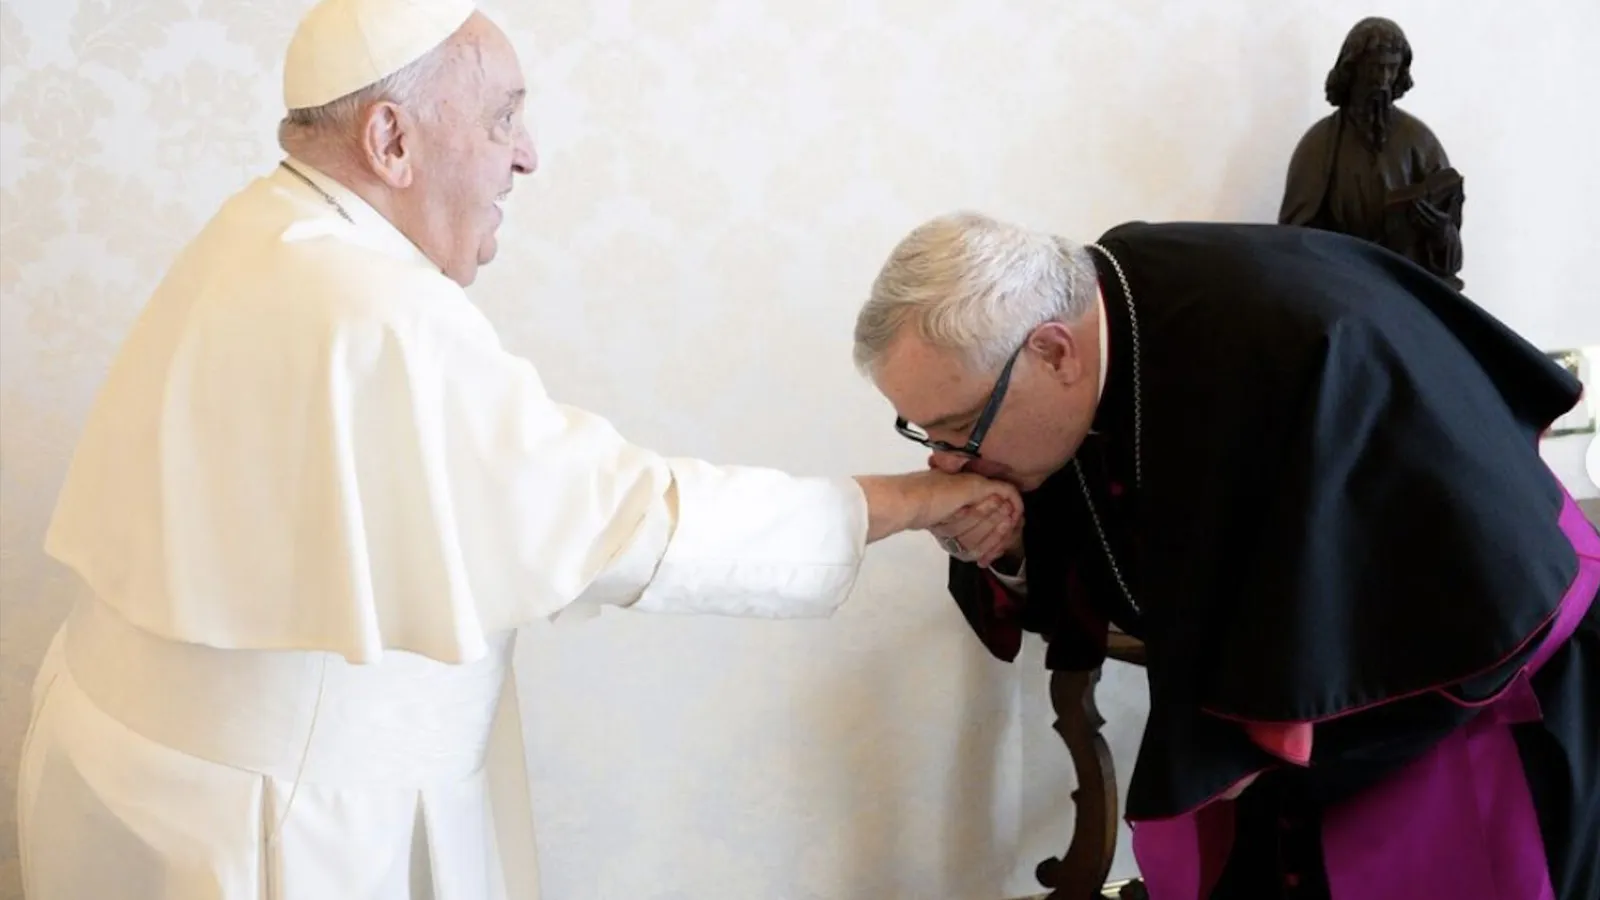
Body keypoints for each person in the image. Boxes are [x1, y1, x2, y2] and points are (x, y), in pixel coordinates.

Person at [13, 2, 1023, 898]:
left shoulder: (263, 227)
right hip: (283, 828)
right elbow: (620, 521)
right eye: (502, 118)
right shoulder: (376, 311)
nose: (526, 155)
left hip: (140, 769)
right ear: (391, 139)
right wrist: (906, 500)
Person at [853, 210, 1599, 900]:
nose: (947, 460)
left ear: (1054, 352)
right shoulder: (1102, 323)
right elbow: (1111, 538)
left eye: (960, 428)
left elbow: (1452, 580)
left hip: (1446, 684)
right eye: (925, 433)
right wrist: (1011, 544)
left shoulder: (1307, 345)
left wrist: (1274, 741)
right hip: (1287, 723)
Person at [1278, 16, 1465, 289]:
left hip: (1405, 289)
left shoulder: (1420, 141)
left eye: (1392, 68)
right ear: (1352, 69)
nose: (1383, 80)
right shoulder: (1319, 145)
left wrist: (1441, 231)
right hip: (1342, 287)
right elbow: (1292, 243)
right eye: (1375, 68)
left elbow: (1450, 262)